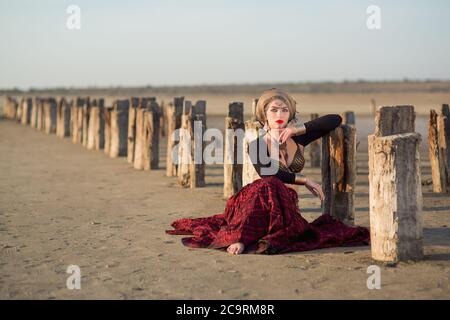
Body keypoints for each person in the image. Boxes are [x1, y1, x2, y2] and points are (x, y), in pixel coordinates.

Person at [166, 88, 370, 255]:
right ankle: (241, 239)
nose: (279, 115)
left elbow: (335, 119)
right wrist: (306, 180)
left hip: (286, 208)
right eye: (274, 110)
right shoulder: (255, 145)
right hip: (257, 204)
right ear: (264, 115)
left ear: (290, 114)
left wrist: (297, 130)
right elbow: (269, 173)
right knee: (269, 184)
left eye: (284, 110)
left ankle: (252, 237)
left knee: (282, 196)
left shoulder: (298, 139)